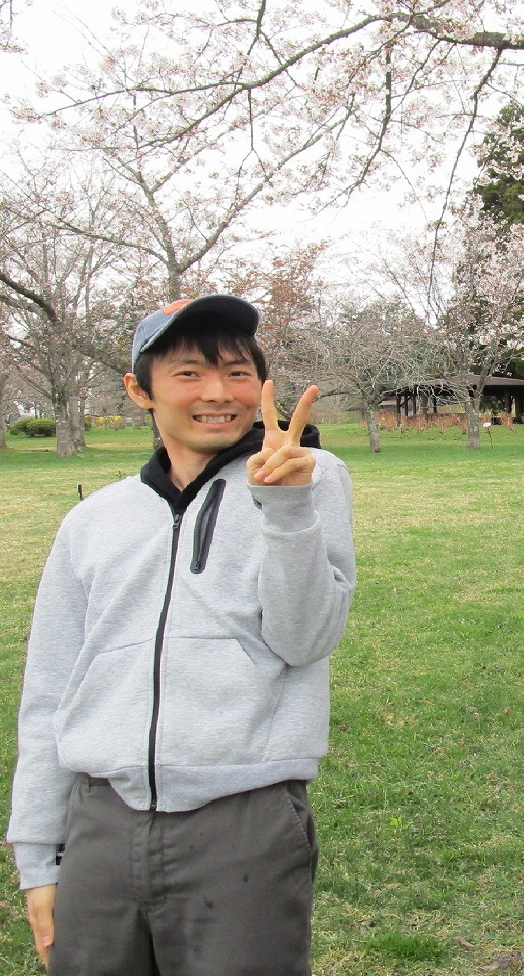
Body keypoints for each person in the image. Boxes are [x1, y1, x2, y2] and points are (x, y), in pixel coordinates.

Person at [7, 294, 357, 974]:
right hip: (100, 825)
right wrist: (37, 854)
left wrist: (285, 509)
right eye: (189, 373)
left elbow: (306, 637)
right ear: (140, 389)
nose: (218, 393)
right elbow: (49, 690)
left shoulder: (308, 479)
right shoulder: (93, 521)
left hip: (241, 824)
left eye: (237, 372)